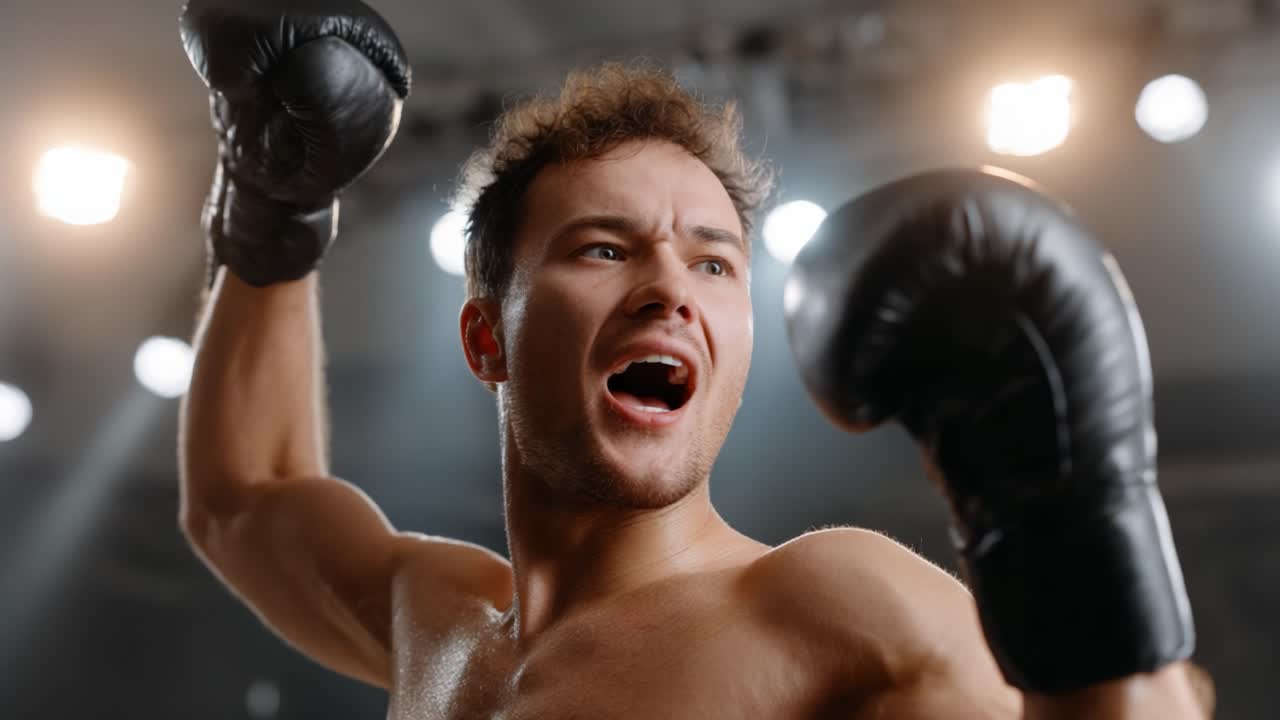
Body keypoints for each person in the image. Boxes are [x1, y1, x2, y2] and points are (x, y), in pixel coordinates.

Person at [176, 1, 1209, 717]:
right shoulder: (438, 624)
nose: (671, 288)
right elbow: (243, 499)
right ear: (487, 338)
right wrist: (270, 211)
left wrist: (1074, 520)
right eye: (604, 248)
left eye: (714, 263)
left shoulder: (828, 608)